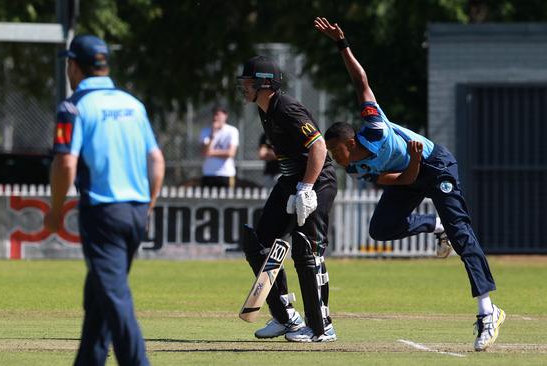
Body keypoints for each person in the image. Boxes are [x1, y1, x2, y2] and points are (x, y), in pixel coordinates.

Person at [314, 17, 504, 351]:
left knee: (462, 233)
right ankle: (435, 224)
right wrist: (412, 163)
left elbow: (360, 81)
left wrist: (342, 44)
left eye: (333, 150)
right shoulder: (357, 168)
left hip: (436, 164)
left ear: (347, 142)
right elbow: (402, 180)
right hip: (412, 171)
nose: (332, 156)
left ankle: (488, 311)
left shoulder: (373, 125)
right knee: (382, 227)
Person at [43, 34, 165, 365]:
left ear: (73, 65)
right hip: (137, 210)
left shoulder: (74, 107)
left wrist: (55, 211)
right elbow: (156, 161)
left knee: (114, 297)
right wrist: (148, 206)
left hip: (103, 212)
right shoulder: (132, 104)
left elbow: (65, 162)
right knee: (98, 296)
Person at [237, 55, 338, 342]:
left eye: (249, 82)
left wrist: (306, 187)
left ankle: (322, 327)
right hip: (290, 182)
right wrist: (296, 186)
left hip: (317, 182)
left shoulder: (287, 107)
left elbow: (318, 146)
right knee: (259, 244)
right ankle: (285, 316)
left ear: (265, 84)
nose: (244, 86)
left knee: (306, 251)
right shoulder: (265, 109)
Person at [199, 105, 239, 188]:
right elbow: (204, 152)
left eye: (218, 115)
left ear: (225, 116)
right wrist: (212, 134)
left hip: (226, 174)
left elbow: (230, 153)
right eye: (214, 114)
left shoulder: (232, 131)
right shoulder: (205, 131)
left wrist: (210, 152)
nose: (215, 117)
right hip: (208, 173)